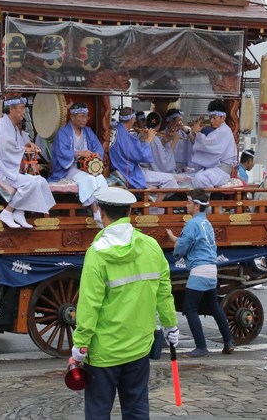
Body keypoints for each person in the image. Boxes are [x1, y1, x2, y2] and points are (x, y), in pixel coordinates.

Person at [71, 187, 178, 420]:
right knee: (137, 410)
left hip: (104, 351)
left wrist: (80, 346)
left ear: (100, 212)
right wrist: (171, 325)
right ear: (129, 211)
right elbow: (164, 292)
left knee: (98, 411)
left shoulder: (97, 254)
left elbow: (89, 305)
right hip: (139, 347)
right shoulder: (151, 246)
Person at [166, 190, 235, 357]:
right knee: (214, 306)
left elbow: (183, 245)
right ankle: (228, 341)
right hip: (211, 268)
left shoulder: (192, 224)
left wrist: (176, 251)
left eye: (189, 202)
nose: (186, 205)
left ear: (197, 206)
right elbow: (192, 241)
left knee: (190, 309)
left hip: (199, 270)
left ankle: (201, 346)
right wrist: (175, 239)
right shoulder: (206, 223)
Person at [0, 96, 55, 229]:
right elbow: (6, 149)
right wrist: (24, 149)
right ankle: (8, 211)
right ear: (11, 109)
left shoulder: (13, 127)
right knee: (32, 183)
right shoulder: (1, 125)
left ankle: (19, 212)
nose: (23, 112)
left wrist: (27, 145)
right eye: (21, 108)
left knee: (40, 181)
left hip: (7, 169)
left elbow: (17, 146)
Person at [49, 102, 108, 226]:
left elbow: (98, 147)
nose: (84, 119)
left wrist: (96, 154)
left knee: (100, 178)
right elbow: (61, 152)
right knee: (88, 179)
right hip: (68, 168)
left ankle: (103, 210)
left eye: (86, 116)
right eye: (81, 116)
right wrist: (80, 153)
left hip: (85, 167)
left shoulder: (88, 131)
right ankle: (96, 212)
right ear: (72, 117)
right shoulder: (63, 132)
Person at [109, 107, 178, 195]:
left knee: (160, 183)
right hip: (128, 171)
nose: (135, 121)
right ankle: (154, 203)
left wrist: (143, 138)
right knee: (170, 179)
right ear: (131, 119)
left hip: (121, 167)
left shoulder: (116, 130)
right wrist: (148, 140)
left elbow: (131, 150)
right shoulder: (125, 136)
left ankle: (153, 199)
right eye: (134, 119)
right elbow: (142, 155)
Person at [188, 99, 237, 189]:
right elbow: (203, 144)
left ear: (223, 117)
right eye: (210, 118)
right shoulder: (218, 131)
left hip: (221, 171)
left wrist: (196, 132)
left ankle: (207, 197)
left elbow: (205, 144)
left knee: (200, 178)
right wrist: (194, 133)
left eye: (214, 118)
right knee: (192, 176)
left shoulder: (224, 131)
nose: (211, 121)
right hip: (215, 169)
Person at [151, 108, 193, 173]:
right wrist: (168, 141)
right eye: (175, 121)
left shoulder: (186, 131)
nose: (178, 124)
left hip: (184, 166)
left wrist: (184, 129)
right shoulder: (162, 134)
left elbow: (194, 141)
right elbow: (160, 153)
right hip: (170, 166)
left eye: (181, 121)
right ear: (169, 121)